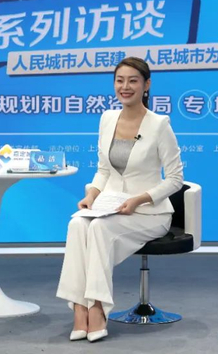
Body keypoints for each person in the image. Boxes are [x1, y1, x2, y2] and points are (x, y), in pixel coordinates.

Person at [56, 57, 183, 342]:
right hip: (110, 206)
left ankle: (97, 309)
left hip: (150, 213)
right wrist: (92, 194)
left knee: (99, 228)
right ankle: (79, 308)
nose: (125, 87)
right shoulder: (107, 119)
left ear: (146, 85)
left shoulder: (159, 124)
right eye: (119, 80)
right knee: (77, 224)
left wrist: (139, 199)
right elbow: (104, 170)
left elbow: (175, 179)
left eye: (133, 81)